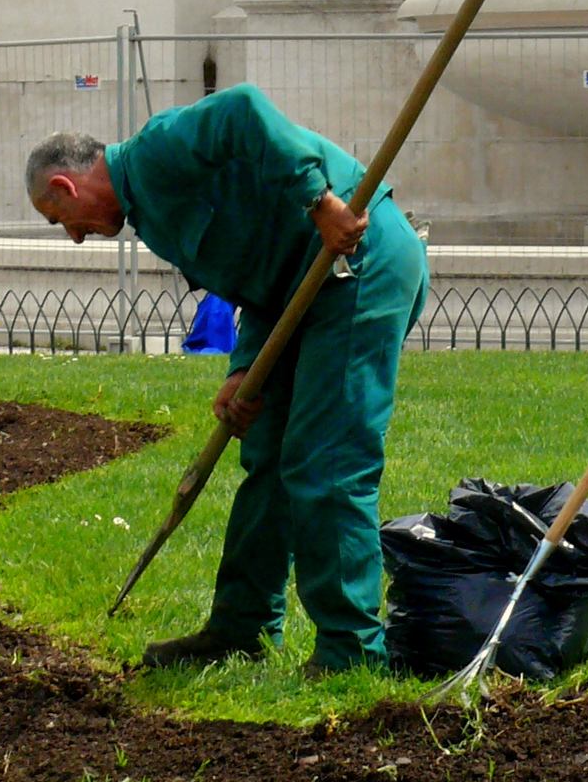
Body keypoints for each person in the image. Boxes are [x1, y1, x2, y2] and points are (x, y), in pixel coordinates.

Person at [25, 85, 428, 673]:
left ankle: (351, 650)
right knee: (267, 456)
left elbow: (242, 109)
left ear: (65, 186)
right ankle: (244, 629)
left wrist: (321, 203)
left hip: (356, 263)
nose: (75, 236)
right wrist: (245, 367)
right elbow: (260, 272)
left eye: (61, 219)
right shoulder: (151, 214)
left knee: (325, 459)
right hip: (300, 287)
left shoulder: (158, 150)